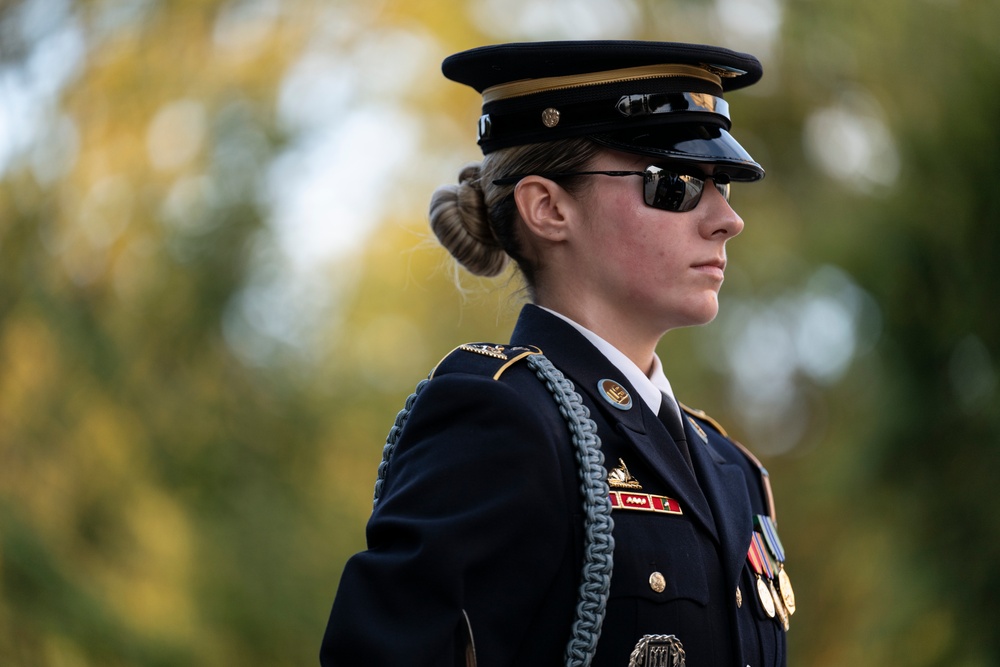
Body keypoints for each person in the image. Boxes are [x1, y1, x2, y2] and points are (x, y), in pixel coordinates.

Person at [320, 40, 795, 667]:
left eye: (724, 185)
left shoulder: (733, 468)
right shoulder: (500, 417)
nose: (726, 219)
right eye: (676, 184)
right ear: (548, 208)